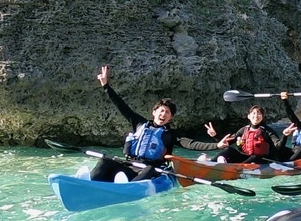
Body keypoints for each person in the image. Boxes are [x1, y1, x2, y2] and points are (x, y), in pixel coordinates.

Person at [89, 65, 230, 181]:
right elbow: (122, 106)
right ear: (154, 112)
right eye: (161, 111)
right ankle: (90, 186)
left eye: (168, 113)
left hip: (150, 171)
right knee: (105, 161)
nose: (163, 114)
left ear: (170, 118)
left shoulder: (170, 135)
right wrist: (106, 86)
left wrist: (216, 145)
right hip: (129, 165)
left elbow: (191, 144)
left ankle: (127, 188)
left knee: (150, 169)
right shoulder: (139, 124)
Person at [208, 103, 288, 164]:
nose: (256, 116)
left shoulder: (268, 131)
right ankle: (210, 163)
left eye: (259, 113)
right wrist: (215, 135)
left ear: (263, 117)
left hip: (263, 160)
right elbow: (226, 143)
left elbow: (278, 147)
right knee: (229, 150)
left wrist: (285, 135)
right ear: (249, 116)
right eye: (253, 113)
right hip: (245, 158)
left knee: (255, 157)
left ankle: (235, 169)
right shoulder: (243, 130)